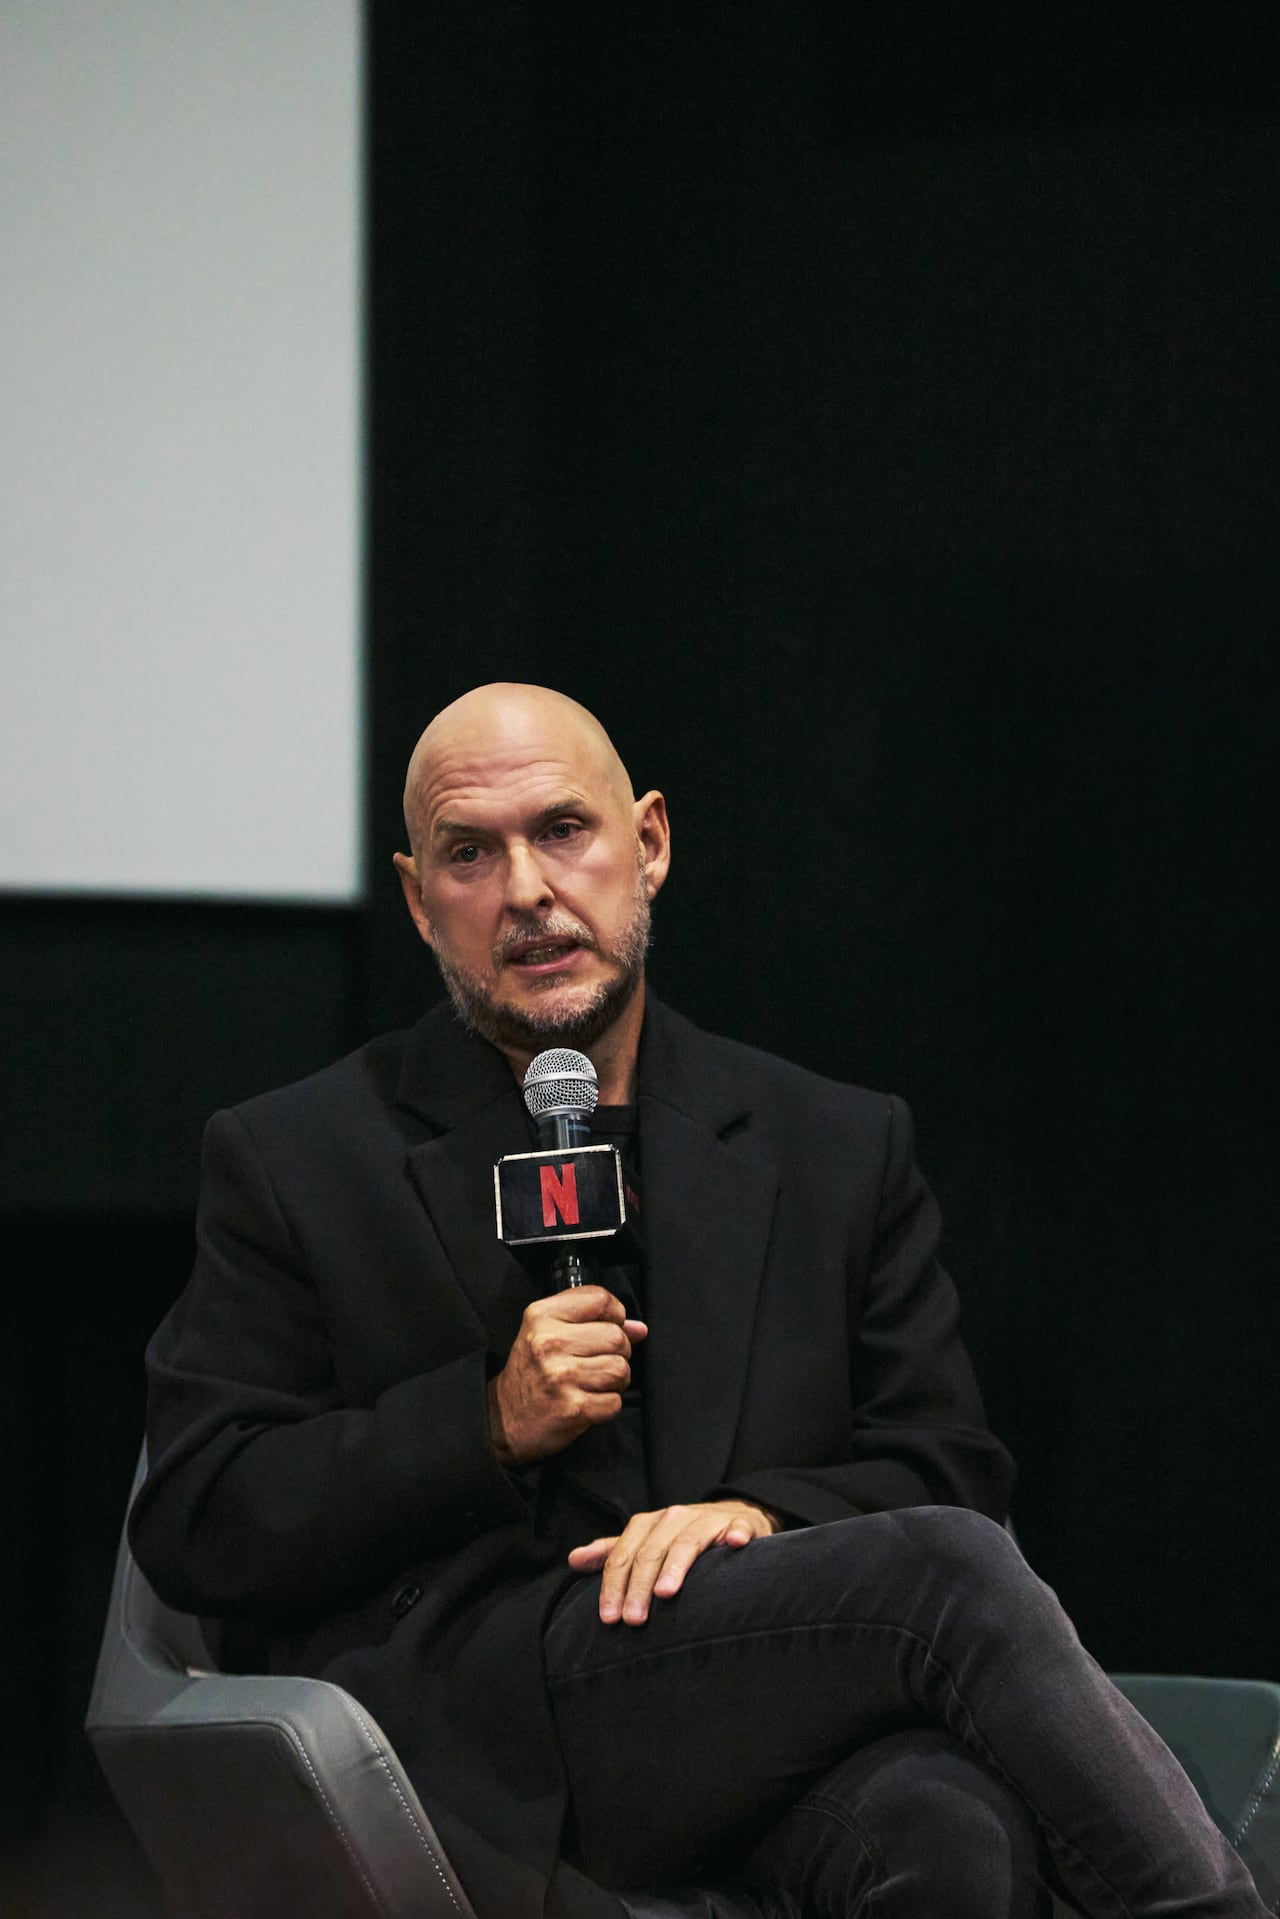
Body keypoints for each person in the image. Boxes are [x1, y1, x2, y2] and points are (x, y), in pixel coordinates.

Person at [130, 684, 1271, 1919]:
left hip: (765, 1708)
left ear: (650, 843)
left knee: (950, 1833)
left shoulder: (831, 1143)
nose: (525, 889)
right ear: (417, 898)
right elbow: (200, 1514)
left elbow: (947, 1464)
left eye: (562, 829)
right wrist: (483, 1423)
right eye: (469, 853)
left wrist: (759, 1515)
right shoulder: (300, 1156)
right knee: (942, 1574)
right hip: (490, 1734)